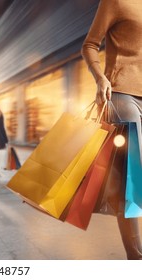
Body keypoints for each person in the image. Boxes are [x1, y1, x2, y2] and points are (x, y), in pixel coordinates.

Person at [81, 0, 142, 259]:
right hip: (122, 95)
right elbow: (90, 45)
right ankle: (136, 256)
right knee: (133, 178)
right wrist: (100, 77)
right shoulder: (116, 1)